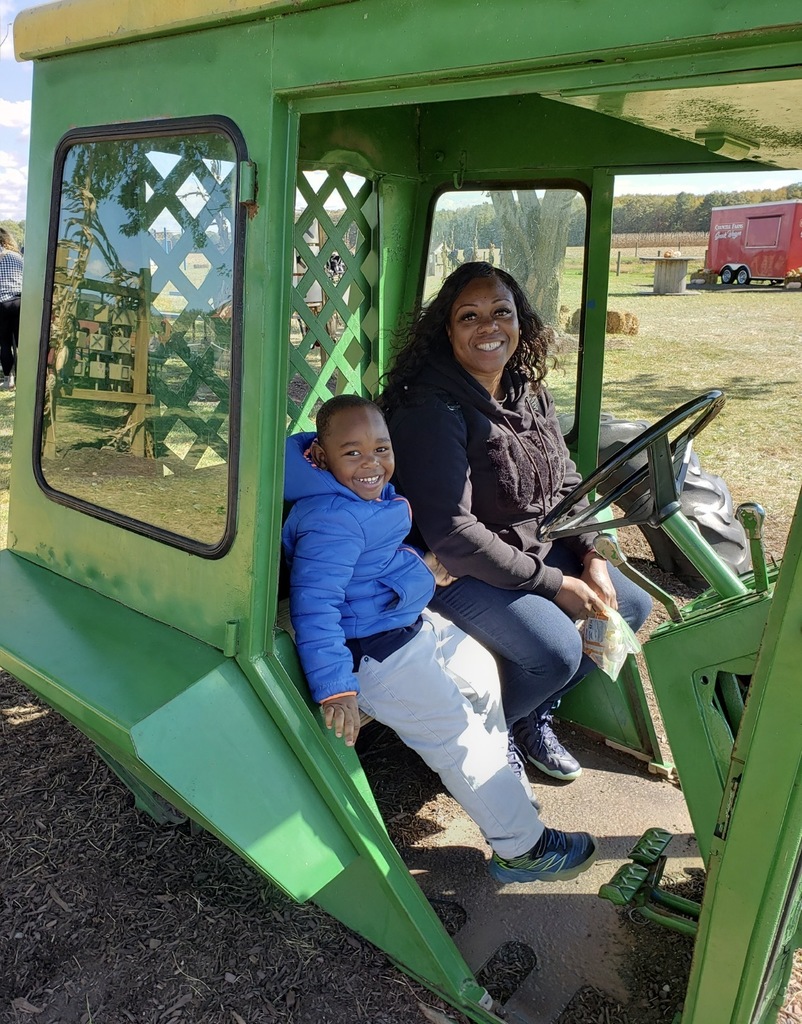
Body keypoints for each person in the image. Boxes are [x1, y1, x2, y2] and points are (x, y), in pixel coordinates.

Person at [282, 394, 598, 883]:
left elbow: (374, 567)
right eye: (352, 453)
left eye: (381, 449)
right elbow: (315, 606)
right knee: (459, 739)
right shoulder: (331, 520)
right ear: (321, 457)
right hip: (378, 658)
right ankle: (523, 848)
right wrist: (336, 688)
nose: (372, 464)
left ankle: (499, 790)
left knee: (483, 677)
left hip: (408, 626)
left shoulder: (357, 496)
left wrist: (421, 571)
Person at [380, 262, 652, 783]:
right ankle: (479, 745)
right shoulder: (432, 410)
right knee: (556, 650)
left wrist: (592, 553)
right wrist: (557, 583)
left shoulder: (526, 389)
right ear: (448, 330)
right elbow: (453, 534)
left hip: (532, 547)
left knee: (631, 606)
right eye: (469, 316)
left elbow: (566, 478)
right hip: (454, 568)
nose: (488, 327)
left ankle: (529, 715)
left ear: (520, 323)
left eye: (501, 312)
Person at [0, 228, 23, 391]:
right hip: (21, 301)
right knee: (21, 343)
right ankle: (24, 377)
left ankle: (9, 380)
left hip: (3, 302)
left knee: (5, 343)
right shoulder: (18, 256)